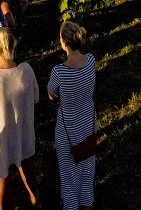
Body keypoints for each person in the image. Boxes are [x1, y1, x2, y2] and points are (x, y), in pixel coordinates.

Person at [0, 29, 41, 210]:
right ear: (14, 45)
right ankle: (36, 200)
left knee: (2, 180)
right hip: (22, 132)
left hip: (0, 139)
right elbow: (36, 97)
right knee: (26, 164)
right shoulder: (27, 70)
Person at [47, 21, 97, 210]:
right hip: (89, 125)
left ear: (63, 41)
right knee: (87, 170)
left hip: (68, 131)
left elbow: (51, 94)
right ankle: (86, 203)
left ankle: (70, 205)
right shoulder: (91, 60)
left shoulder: (59, 72)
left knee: (69, 175)